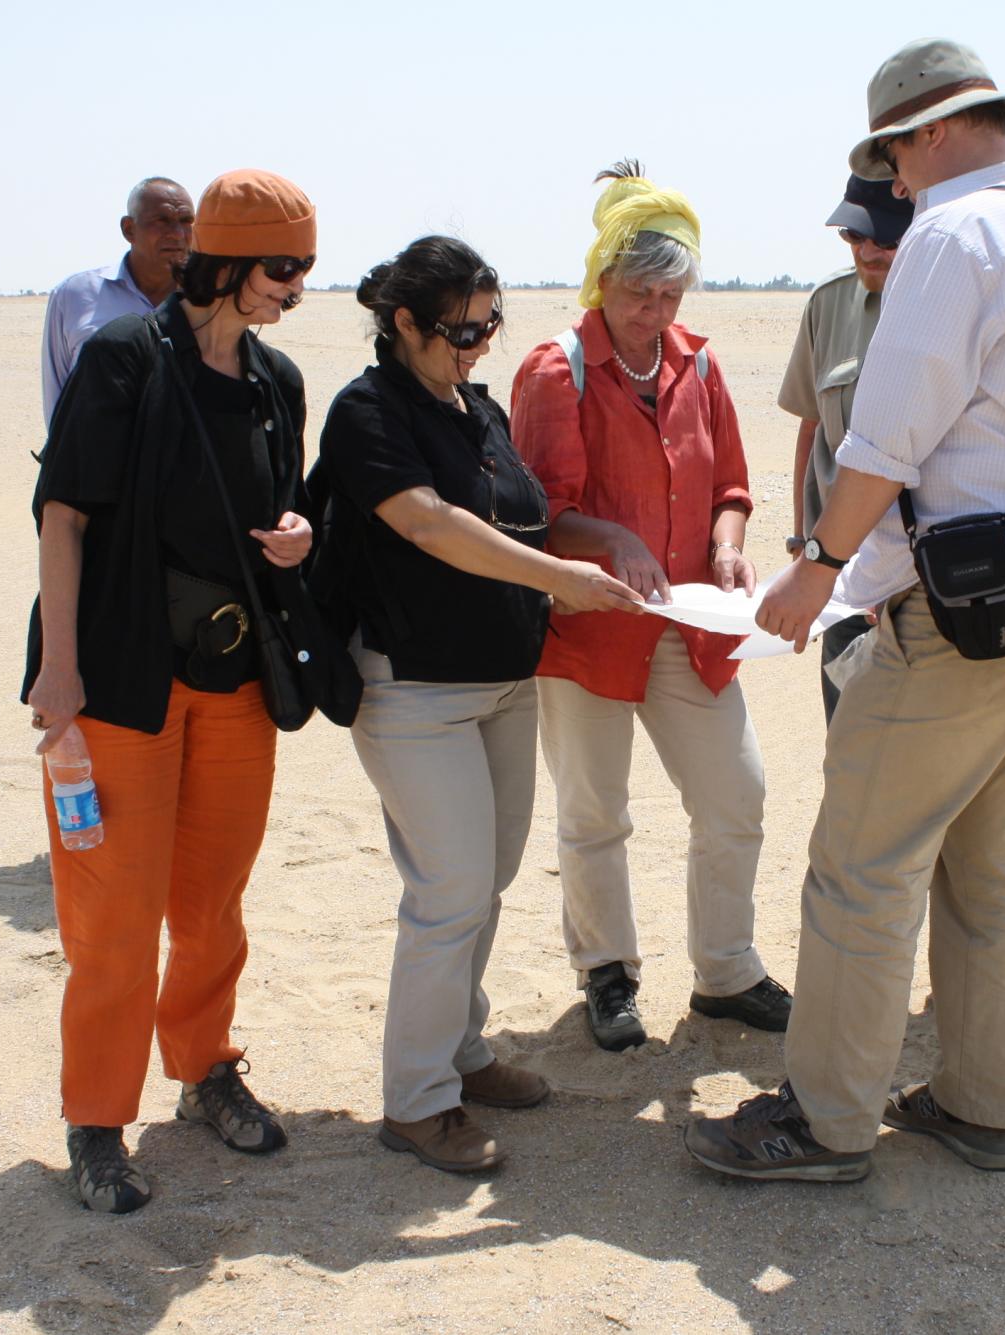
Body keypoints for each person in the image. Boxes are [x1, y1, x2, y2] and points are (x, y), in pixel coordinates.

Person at [686, 39, 1005, 1182]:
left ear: (923, 136)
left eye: (891, 156)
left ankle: (823, 1121)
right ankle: (981, 1103)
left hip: (965, 608)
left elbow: (890, 428)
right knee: (997, 869)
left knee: (861, 865)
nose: (893, 183)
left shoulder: (954, 232)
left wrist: (818, 566)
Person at [22, 169, 319, 1213]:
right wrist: (58, 670)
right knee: (113, 914)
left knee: (210, 905)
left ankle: (204, 1070)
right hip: (115, 680)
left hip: (235, 680)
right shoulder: (120, 360)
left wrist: (297, 538)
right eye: (282, 267)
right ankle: (97, 1122)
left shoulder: (276, 383)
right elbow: (64, 516)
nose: (294, 287)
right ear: (228, 260)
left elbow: (277, 514)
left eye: (305, 269)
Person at [314, 237, 644, 1172]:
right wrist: (560, 578)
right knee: (447, 891)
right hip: (415, 690)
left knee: (483, 883)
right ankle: (416, 1102)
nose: (481, 342)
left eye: (491, 322)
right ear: (404, 322)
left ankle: (459, 1052)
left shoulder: (477, 408)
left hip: (502, 685)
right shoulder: (367, 411)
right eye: (462, 327)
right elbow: (429, 521)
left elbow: (518, 509)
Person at [510, 160, 791, 1053]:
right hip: (590, 629)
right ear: (603, 278)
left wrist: (728, 542)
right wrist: (608, 537)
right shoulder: (556, 370)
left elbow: (734, 485)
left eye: (672, 293)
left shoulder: (699, 363)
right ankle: (607, 971)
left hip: (691, 627)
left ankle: (727, 969)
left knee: (735, 793)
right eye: (640, 292)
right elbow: (535, 511)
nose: (657, 312)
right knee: (595, 810)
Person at [776, 175, 914, 719]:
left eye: (883, 238)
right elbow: (812, 432)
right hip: (844, 579)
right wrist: (803, 546)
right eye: (854, 237)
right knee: (849, 749)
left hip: (929, 590)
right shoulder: (829, 304)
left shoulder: (953, 308)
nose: (866, 250)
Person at [40, 177, 195, 423]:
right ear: (128, 229)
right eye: (162, 221)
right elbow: (57, 392)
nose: (177, 234)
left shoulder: (209, 301)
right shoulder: (74, 296)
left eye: (186, 221)